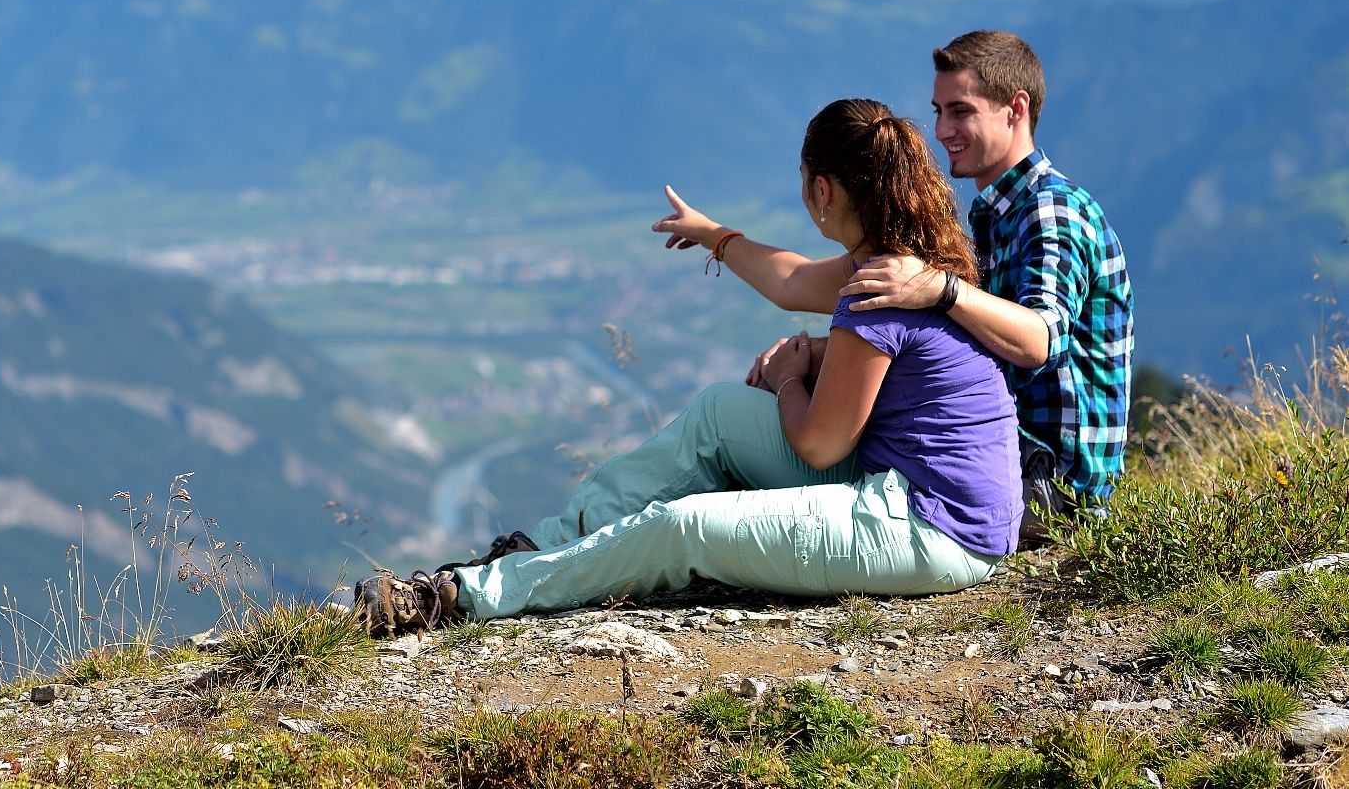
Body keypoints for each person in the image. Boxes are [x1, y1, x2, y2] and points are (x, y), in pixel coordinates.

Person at [352, 99, 1022, 637]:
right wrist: (715, 237)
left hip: (934, 528)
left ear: (821, 189)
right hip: (915, 492)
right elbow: (792, 282)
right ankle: (545, 547)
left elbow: (820, 445)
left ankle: (462, 596)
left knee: (684, 528)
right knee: (717, 412)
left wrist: (789, 378)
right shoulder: (899, 261)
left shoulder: (873, 292)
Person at [841, 31, 1133, 534]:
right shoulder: (994, 215)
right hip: (1015, 470)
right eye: (938, 111)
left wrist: (942, 289)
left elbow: (1040, 339)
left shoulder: (1050, 212)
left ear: (1015, 109)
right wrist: (718, 238)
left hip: (1056, 491)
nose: (941, 130)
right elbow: (798, 283)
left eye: (960, 111)